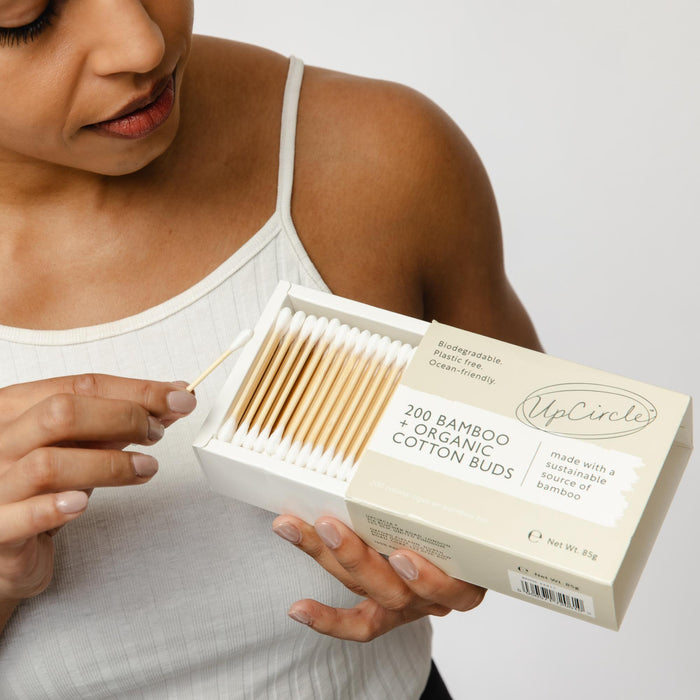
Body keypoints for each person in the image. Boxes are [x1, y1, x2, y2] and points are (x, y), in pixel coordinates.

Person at [0, 2, 541, 697]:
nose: (142, 44)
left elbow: (542, 499)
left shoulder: (372, 153)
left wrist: (468, 549)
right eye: (26, 16)